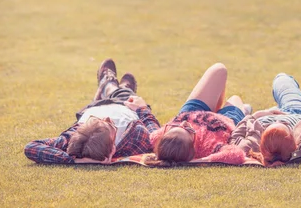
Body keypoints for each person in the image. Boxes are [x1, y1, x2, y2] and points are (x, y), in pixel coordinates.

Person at [24, 59, 160, 164]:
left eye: (97, 121)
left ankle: (109, 86)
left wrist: (75, 160)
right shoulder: (135, 137)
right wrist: (143, 109)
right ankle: (114, 86)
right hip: (125, 105)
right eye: (110, 124)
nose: (107, 118)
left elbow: (31, 147)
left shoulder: (70, 138)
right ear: (112, 150)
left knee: (115, 91)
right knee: (125, 93)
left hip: (95, 108)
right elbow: (156, 136)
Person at [145, 63, 249, 166]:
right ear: (193, 147)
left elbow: (148, 133)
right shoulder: (208, 147)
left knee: (219, 69)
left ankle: (234, 108)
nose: (184, 123)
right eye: (188, 129)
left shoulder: (160, 138)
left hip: (192, 111)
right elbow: (237, 155)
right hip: (226, 121)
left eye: (176, 125)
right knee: (235, 98)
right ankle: (243, 110)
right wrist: (203, 160)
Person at [229, 73, 301, 167]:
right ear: (293, 143)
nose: (278, 122)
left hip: (265, 115)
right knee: (282, 78)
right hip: (296, 112)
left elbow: (234, 138)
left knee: (281, 78)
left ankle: (247, 108)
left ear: (262, 146)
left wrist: (255, 116)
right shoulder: (300, 147)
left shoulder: (251, 145)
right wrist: (298, 153)